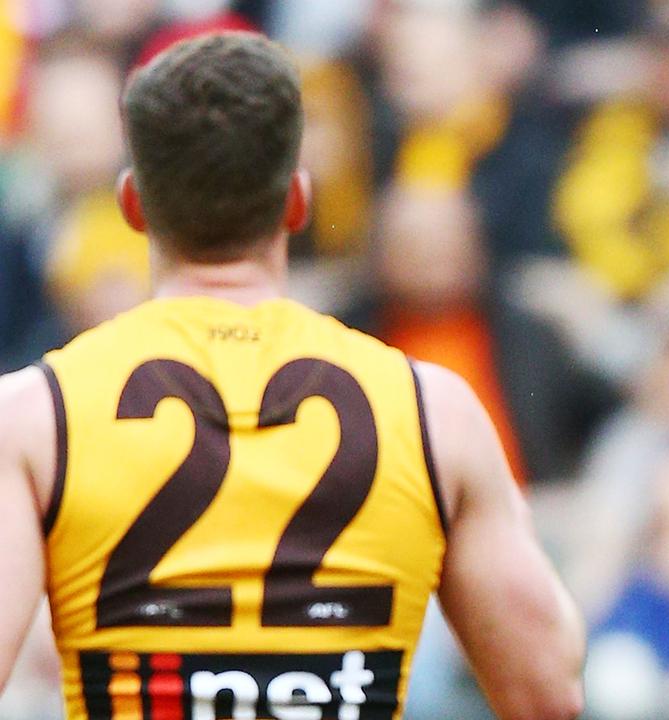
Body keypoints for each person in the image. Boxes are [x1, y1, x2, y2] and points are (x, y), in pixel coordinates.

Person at [0, 31, 585, 720]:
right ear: (297, 201)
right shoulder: (432, 410)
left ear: (133, 206)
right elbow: (547, 691)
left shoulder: (36, 414)